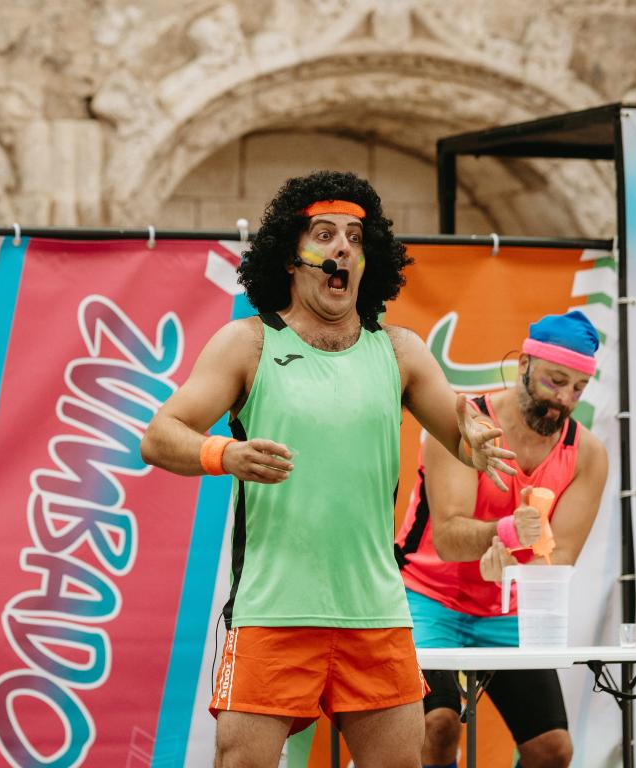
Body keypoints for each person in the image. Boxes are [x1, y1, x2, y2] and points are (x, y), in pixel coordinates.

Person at [140, 170, 515, 768]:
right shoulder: (249, 343)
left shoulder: (399, 350)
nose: (343, 247)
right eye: (324, 234)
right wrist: (224, 454)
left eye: (355, 238)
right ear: (291, 257)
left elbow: (463, 433)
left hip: (377, 613)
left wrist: (474, 439)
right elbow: (160, 436)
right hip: (273, 611)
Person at [395, 311, 609, 768]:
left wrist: (518, 571)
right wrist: (508, 534)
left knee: (552, 750)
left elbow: (562, 555)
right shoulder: (466, 423)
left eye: (578, 388)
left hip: (507, 611)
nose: (564, 399)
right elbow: (449, 538)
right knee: (437, 726)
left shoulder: (587, 454)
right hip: (428, 598)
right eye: (556, 381)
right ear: (524, 364)